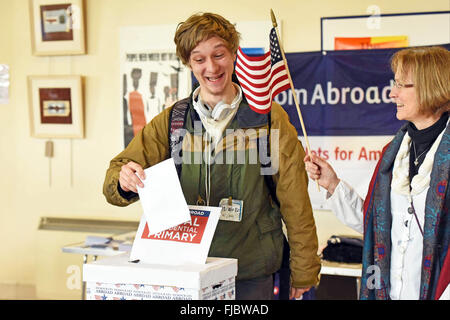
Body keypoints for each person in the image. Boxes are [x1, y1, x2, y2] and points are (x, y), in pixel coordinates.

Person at [103, 12, 320, 300]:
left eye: (219, 55)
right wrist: (124, 179)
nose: (211, 67)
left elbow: (296, 201)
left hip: (250, 272)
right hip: (187, 271)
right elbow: (114, 177)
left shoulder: (268, 118)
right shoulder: (174, 120)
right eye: (199, 59)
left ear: (233, 55)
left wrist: (304, 270)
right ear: (188, 64)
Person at [304, 46, 449, 300]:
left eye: (402, 85)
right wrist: (332, 184)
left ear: (431, 87)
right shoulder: (391, 155)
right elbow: (373, 226)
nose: (393, 93)